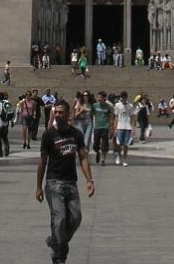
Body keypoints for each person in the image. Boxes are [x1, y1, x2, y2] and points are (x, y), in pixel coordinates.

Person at [36, 98, 95, 264]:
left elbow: (83, 157)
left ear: (69, 114)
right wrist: (38, 187)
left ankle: (56, 241)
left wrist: (89, 180)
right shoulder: (49, 135)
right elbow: (42, 161)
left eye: (61, 112)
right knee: (59, 218)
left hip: (71, 183)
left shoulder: (76, 134)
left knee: (76, 218)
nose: (58, 115)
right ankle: (59, 257)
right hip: (54, 182)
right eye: (56, 112)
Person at [113, 90, 135, 165]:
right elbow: (116, 117)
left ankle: (124, 159)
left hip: (128, 127)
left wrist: (133, 128)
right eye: (122, 98)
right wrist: (115, 128)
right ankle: (118, 156)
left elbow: (132, 118)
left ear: (126, 98)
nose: (123, 99)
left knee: (126, 144)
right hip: (120, 126)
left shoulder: (130, 106)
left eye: (124, 98)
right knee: (119, 143)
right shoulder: (117, 105)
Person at [91, 90, 112, 164]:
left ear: (104, 98)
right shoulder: (95, 105)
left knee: (104, 145)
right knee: (95, 145)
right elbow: (91, 114)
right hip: (97, 127)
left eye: (100, 97)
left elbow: (110, 118)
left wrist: (111, 128)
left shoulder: (108, 107)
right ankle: (98, 152)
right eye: (98, 97)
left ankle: (103, 160)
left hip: (105, 127)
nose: (98, 98)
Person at [0, 92, 14, 156]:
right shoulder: (7, 103)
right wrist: (12, 121)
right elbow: (10, 113)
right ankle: (7, 149)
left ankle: (0, 152)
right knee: (5, 137)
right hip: (6, 124)